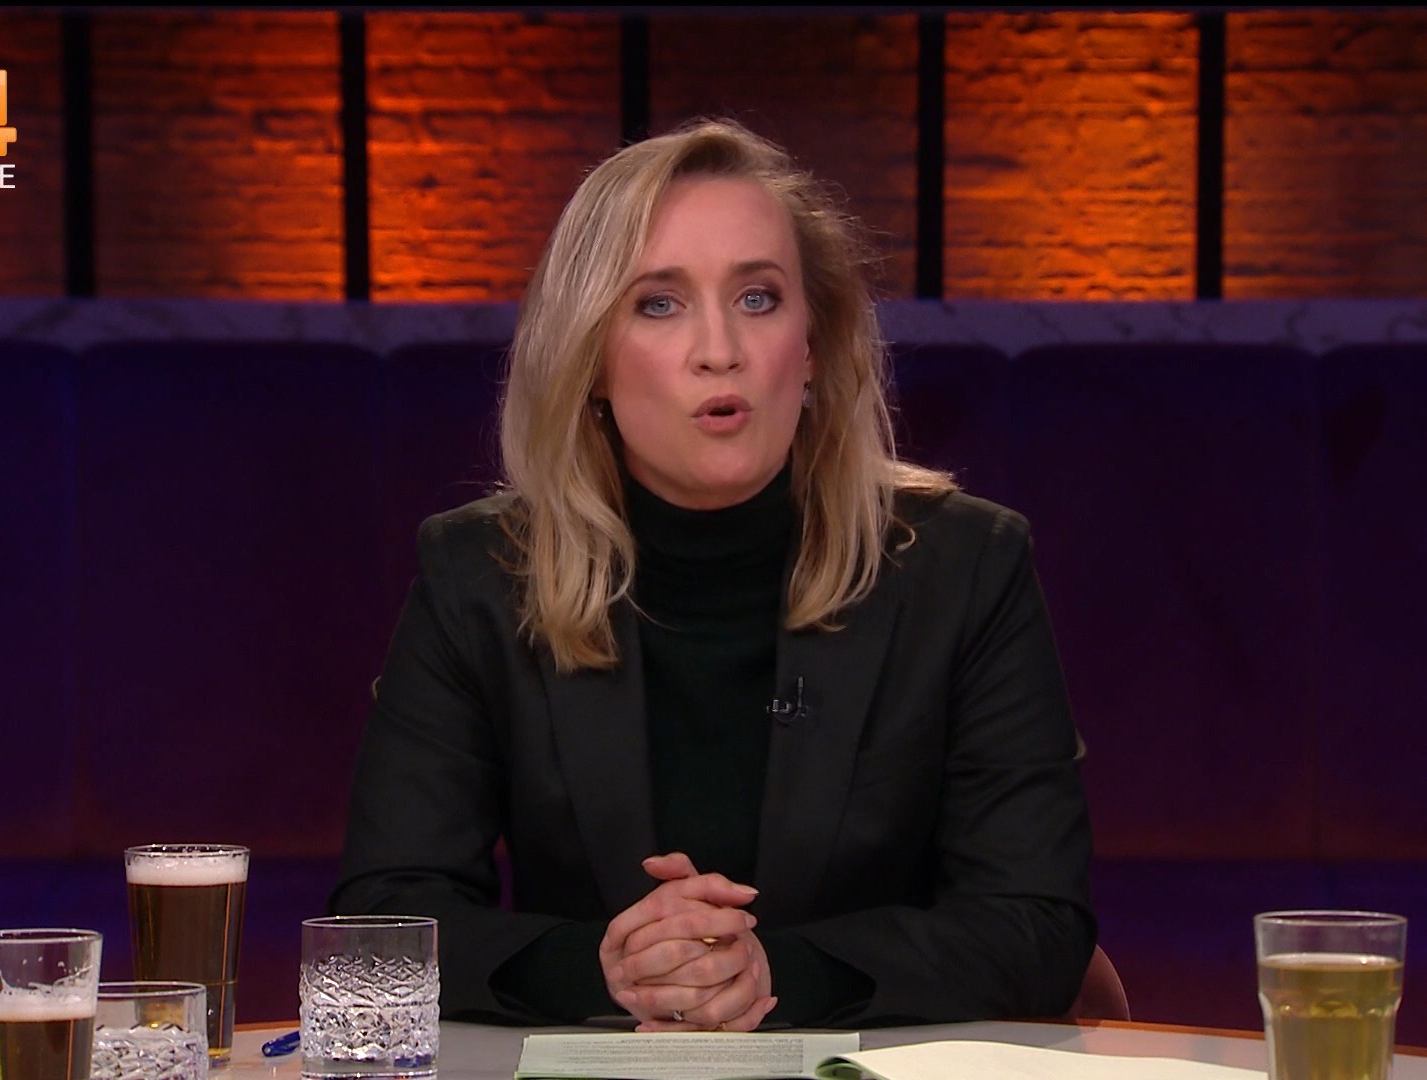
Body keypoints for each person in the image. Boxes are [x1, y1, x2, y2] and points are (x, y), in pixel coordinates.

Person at [330, 117, 1096, 1032]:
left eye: (758, 298)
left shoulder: (964, 568)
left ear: (813, 345)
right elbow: (380, 926)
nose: (719, 349)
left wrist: (776, 974)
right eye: (660, 304)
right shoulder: (481, 576)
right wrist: (608, 969)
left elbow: (1037, 926)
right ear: (590, 361)